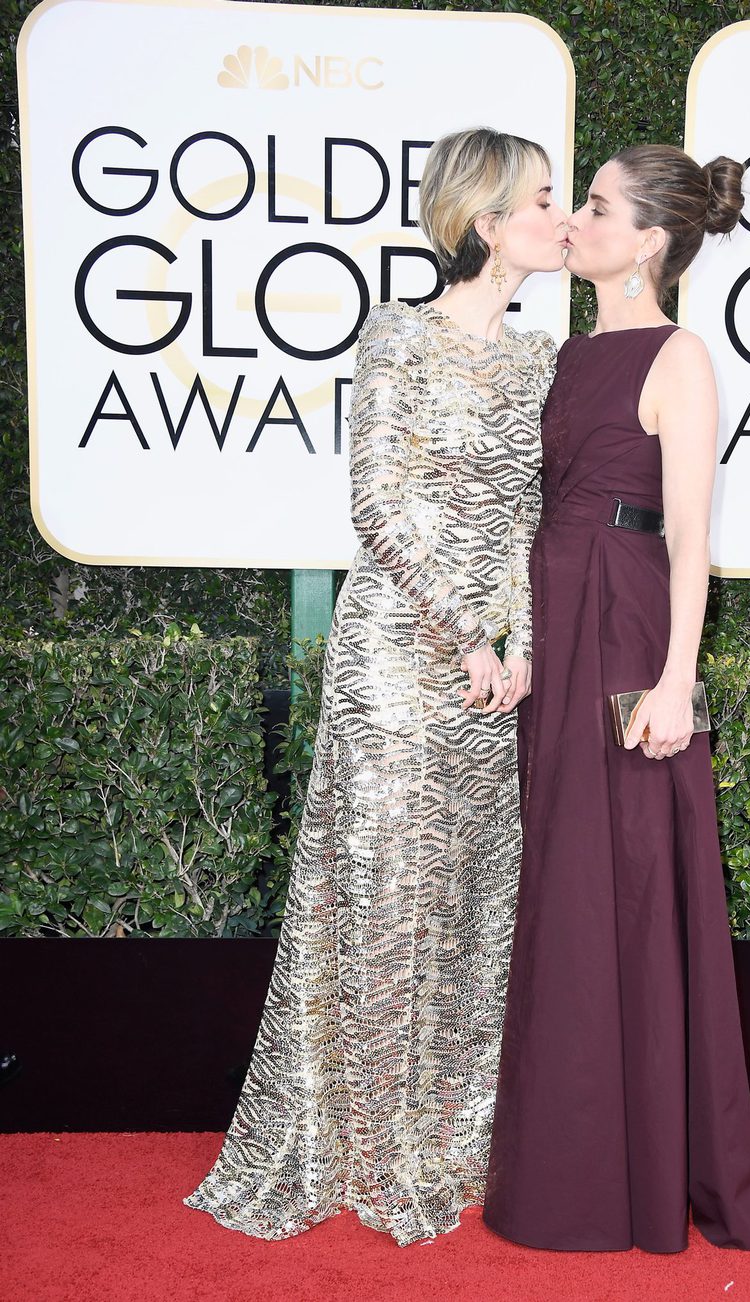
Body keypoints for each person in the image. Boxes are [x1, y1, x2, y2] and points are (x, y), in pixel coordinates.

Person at [185, 127, 567, 1247]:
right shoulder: (397, 336)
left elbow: (527, 524)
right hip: (398, 661)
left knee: (470, 901)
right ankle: (360, 1140)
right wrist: (468, 637)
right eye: (543, 199)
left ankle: (449, 1136)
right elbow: (381, 508)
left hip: (495, 671)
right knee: (384, 895)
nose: (559, 217)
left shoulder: (543, 359)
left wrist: (525, 645)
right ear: (487, 222)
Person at [483, 144, 750, 1254]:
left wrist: (678, 683)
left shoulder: (680, 354)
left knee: (632, 890)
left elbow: (692, 535)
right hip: (558, 626)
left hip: (628, 632)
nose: (576, 224)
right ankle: (570, 1161)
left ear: (648, 240)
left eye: (595, 208)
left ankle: (636, 1178)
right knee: (567, 888)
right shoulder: (561, 355)